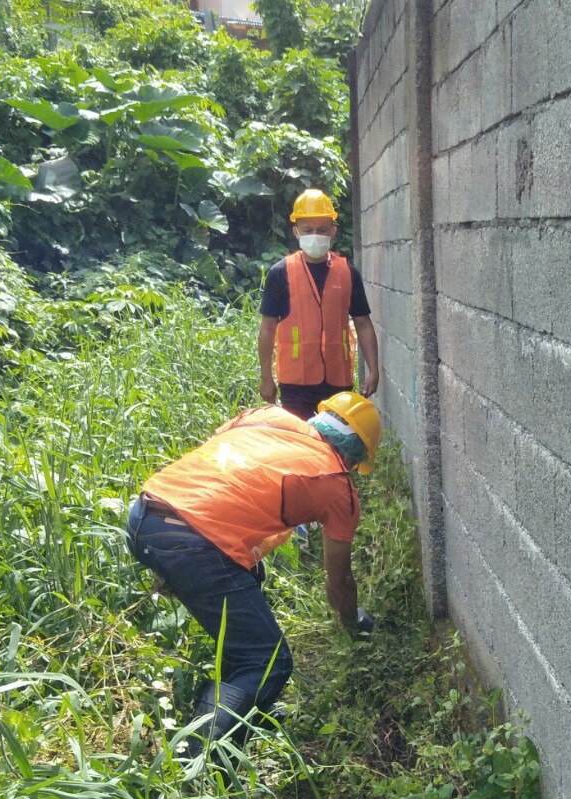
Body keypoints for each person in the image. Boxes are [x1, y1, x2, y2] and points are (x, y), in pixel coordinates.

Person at [126, 391, 382, 751]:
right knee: (268, 658)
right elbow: (339, 582)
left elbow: (228, 468)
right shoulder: (337, 483)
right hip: (191, 540)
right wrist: (352, 628)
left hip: (145, 514)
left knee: (249, 590)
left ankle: (249, 710)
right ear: (354, 456)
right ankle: (198, 766)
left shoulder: (267, 416)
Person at [258, 189, 381, 420]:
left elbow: (363, 323)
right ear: (297, 232)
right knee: (301, 444)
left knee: (337, 445)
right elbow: (267, 328)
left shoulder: (347, 273)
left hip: (338, 380)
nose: (315, 235)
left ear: (332, 231)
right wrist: (266, 376)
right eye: (308, 230)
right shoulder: (280, 273)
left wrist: (374, 370)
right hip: (296, 383)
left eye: (322, 230)